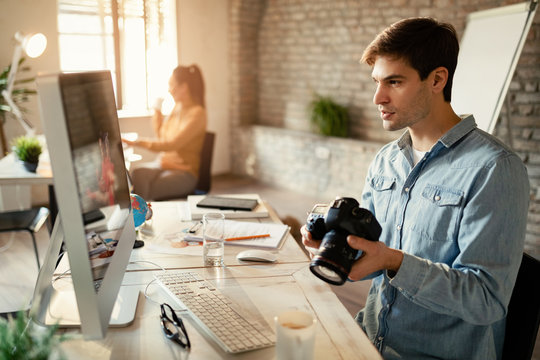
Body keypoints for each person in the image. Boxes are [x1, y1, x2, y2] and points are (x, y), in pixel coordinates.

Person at [301, 17, 530, 359]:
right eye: (377, 82)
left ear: (437, 79)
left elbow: (486, 300)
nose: (378, 97)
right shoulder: (385, 161)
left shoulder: (495, 168)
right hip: (369, 338)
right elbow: (374, 259)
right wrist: (339, 251)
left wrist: (394, 261)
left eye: (394, 81)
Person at [122, 64, 207, 200]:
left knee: (148, 186)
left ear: (184, 87)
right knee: (137, 173)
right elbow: (162, 136)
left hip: (185, 172)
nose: (169, 90)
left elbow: (171, 145)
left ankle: (141, 214)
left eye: (171, 85)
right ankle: (140, 214)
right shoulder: (177, 108)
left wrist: (136, 142)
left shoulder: (197, 113)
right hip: (164, 164)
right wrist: (157, 110)